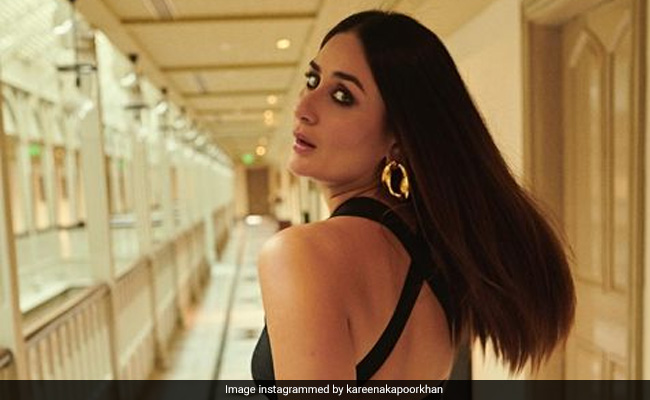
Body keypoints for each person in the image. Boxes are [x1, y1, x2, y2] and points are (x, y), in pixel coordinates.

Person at [251, 10, 575, 386]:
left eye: (342, 96)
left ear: (398, 139)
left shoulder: (302, 255)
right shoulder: (434, 258)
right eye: (312, 80)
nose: (303, 108)